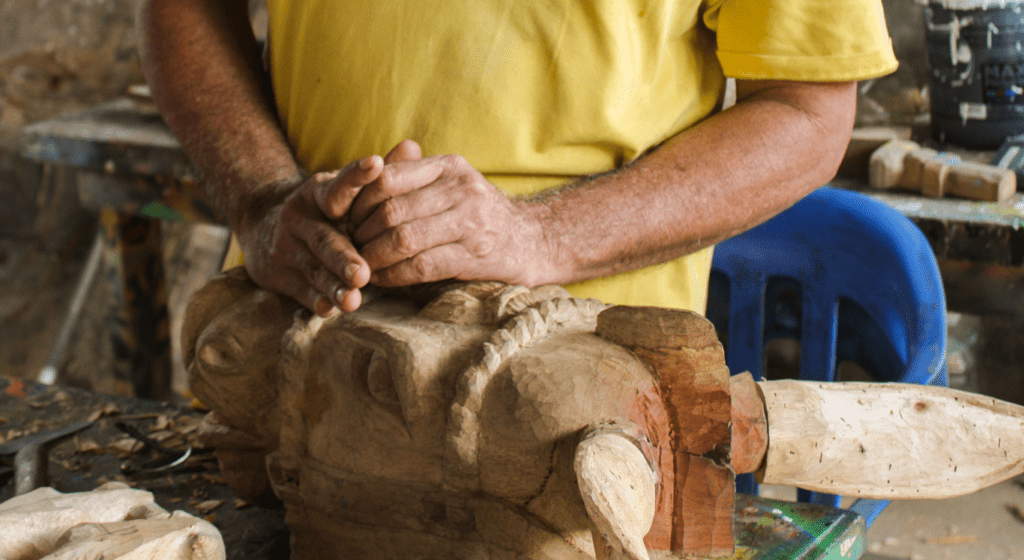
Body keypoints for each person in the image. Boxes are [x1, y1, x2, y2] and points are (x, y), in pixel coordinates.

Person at [138, 0, 897, 318]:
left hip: (576, 399)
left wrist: (540, 237)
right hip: (295, 348)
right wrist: (264, 200)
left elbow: (807, 113)